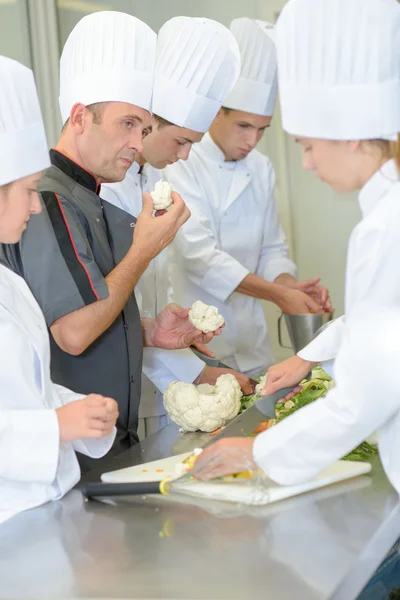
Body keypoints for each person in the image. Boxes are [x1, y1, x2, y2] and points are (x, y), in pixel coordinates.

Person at [191, 0, 400, 494]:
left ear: (348, 137)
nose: (305, 164)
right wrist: (312, 354)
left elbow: (368, 390)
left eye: (306, 145)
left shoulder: (383, 230)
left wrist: (262, 452)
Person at [0, 12, 221, 468]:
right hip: (70, 453)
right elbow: (74, 332)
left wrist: (148, 331)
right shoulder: (52, 200)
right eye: (127, 124)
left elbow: (59, 318)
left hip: (102, 440)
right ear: (80, 117)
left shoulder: (89, 199)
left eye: (143, 129)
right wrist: (144, 248)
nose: (137, 143)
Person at [102, 16, 251, 438]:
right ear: (147, 124)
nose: (185, 156)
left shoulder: (149, 180)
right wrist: (196, 371)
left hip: (163, 384)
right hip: (127, 393)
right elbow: (108, 311)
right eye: (181, 141)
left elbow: (149, 302)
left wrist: (190, 349)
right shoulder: (107, 193)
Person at [165, 18, 331, 378]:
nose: (253, 140)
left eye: (262, 129)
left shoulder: (261, 167)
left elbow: (272, 249)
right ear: (215, 115)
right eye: (244, 126)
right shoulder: (180, 161)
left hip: (251, 344)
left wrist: (290, 287)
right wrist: (276, 295)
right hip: (193, 347)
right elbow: (199, 256)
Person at [0, 56, 119, 525]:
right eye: (29, 191)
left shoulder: (9, 284)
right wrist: (54, 427)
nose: (35, 206)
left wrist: (80, 411)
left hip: (47, 507)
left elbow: (26, 393)